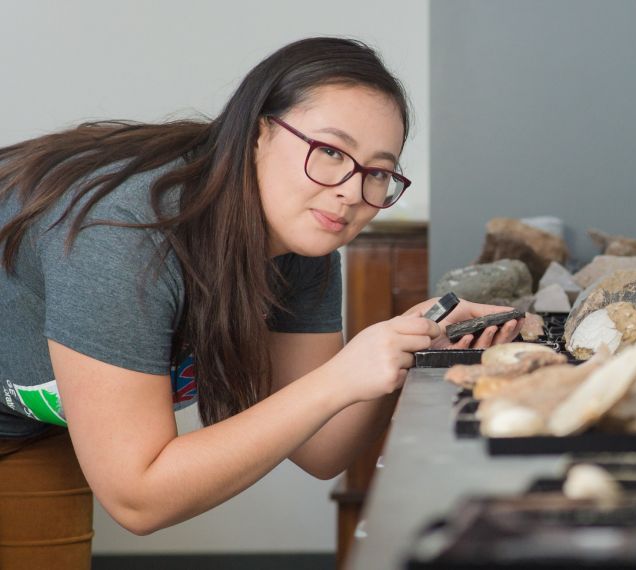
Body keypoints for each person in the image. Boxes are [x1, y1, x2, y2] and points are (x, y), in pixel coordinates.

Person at [0, 37, 520, 568]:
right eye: (331, 152)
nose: (349, 190)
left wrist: (412, 344)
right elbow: (140, 498)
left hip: (32, 430)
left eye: (378, 172)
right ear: (256, 133)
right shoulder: (124, 234)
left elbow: (323, 450)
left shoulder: (302, 243)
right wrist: (341, 376)